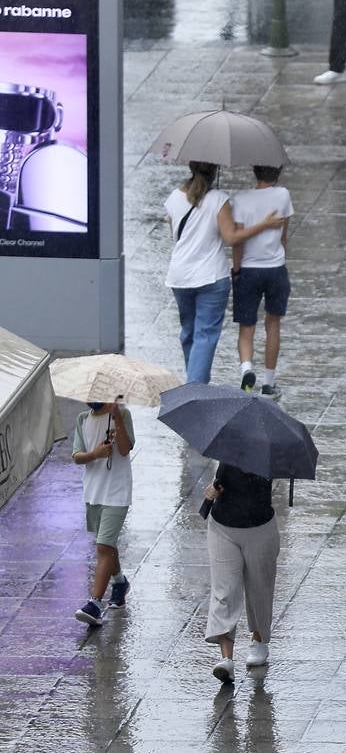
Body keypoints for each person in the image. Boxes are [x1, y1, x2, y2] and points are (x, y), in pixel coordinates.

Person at [164, 161, 286, 384]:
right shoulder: (218, 200)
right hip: (211, 277)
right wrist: (265, 224)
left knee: (188, 333)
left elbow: (174, 233)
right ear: (215, 171)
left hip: (180, 276)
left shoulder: (173, 198)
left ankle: (193, 382)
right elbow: (231, 238)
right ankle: (195, 389)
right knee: (205, 335)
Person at [203, 463, 280, 683]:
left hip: (260, 528)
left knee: (259, 587)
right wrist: (213, 490)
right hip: (222, 526)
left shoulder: (268, 454)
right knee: (224, 590)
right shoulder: (229, 447)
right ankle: (227, 659)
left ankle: (259, 639)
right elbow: (219, 480)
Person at [231, 166, 294, 401]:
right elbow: (284, 236)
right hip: (275, 268)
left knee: (246, 327)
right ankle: (268, 384)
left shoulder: (240, 200)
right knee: (273, 324)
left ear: (254, 171)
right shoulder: (283, 195)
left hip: (248, 268)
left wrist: (236, 271)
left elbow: (238, 243)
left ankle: (247, 369)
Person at [72, 399, 135, 627]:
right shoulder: (82, 419)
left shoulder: (123, 414)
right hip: (93, 492)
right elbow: (77, 455)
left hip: (117, 492)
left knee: (103, 547)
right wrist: (96, 454)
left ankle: (95, 603)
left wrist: (117, 417)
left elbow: (126, 448)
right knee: (106, 544)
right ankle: (119, 583)